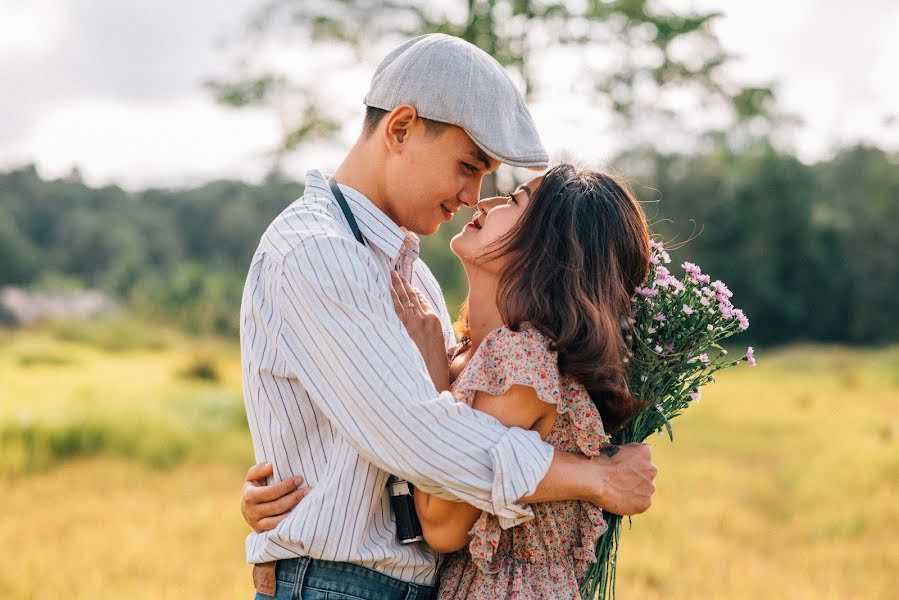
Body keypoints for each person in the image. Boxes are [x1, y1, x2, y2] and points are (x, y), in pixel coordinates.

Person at [239, 33, 657, 600]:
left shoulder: (413, 277)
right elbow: (416, 437)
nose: (473, 196)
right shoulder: (318, 251)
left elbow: (386, 439)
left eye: (488, 179)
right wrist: (593, 477)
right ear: (401, 128)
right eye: (467, 166)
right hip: (339, 583)